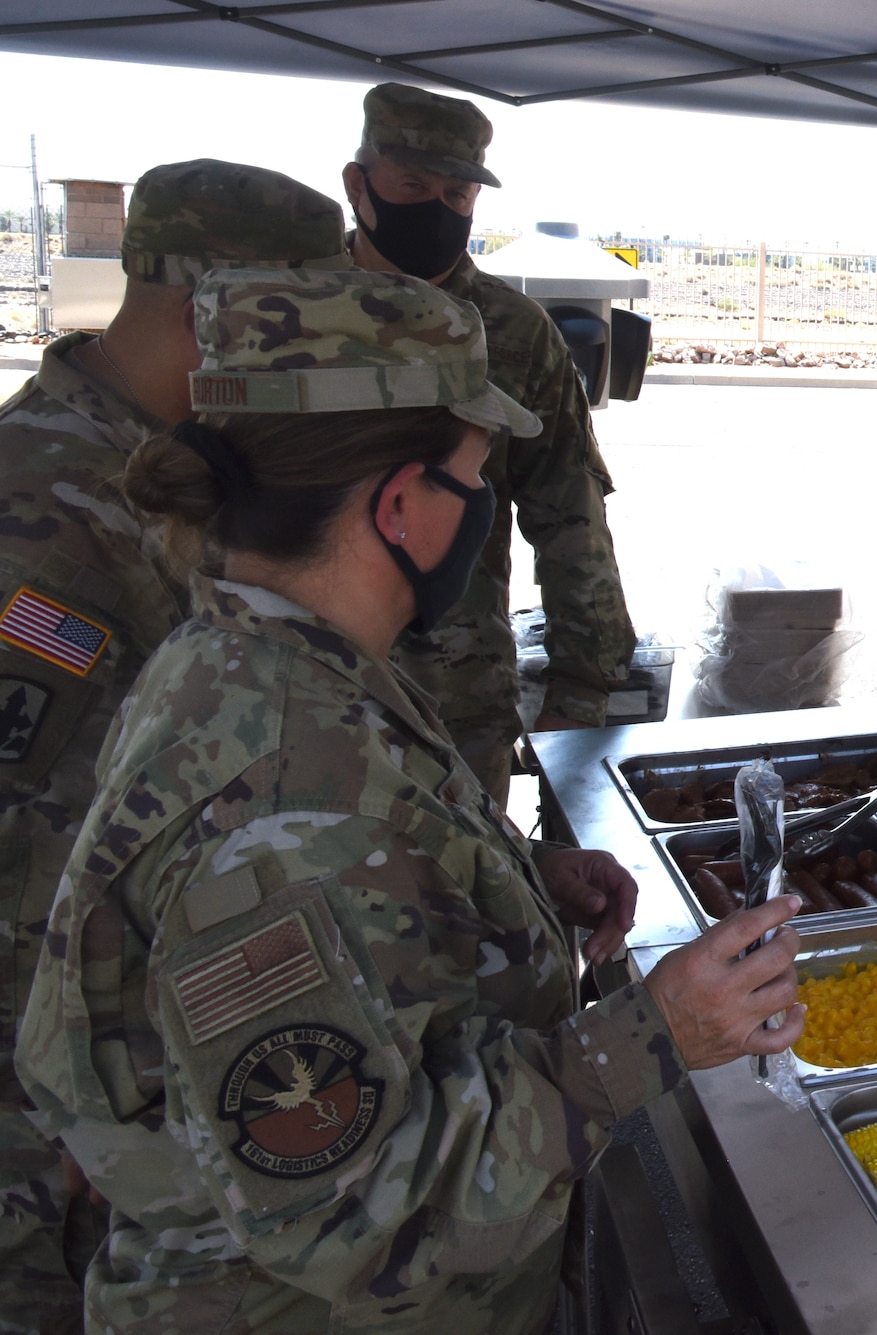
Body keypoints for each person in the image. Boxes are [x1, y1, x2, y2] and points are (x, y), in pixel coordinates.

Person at [15, 266, 805, 1332]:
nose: (485, 505)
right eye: (476, 474)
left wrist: (503, 887)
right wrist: (654, 1033)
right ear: (400, 504)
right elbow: (357, 1218)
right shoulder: (291, 793)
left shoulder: (255, 650)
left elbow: (353, 901)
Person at [0, 160, 346, 1335]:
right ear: (218, 295)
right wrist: (74, 1098)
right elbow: (27, 833)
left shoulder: (173, 464)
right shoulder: (44, 499)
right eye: (298, 313)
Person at [343, 81, 635, 798]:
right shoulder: (287, 313)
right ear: (359, 184)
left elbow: (571, 516)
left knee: (462, 901)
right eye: (412, 185)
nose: (437, 211)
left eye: (458, 196)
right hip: (301, 681)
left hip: (457, 695)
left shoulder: (512, 331)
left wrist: (582, 688)